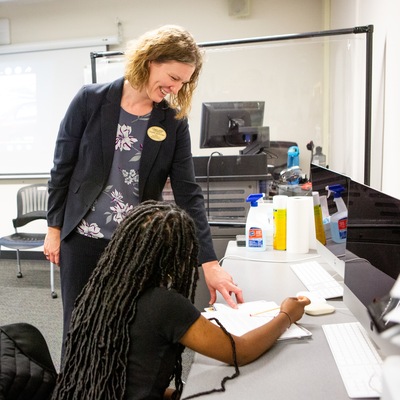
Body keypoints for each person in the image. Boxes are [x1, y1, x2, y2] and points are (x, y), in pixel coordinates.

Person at [43, 25, 244, 352]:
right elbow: (62, 167)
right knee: (78, 326)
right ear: (150, 60)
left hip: (134, 244)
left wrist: (210, 263)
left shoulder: (173, 121)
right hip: (83, 239)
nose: (175, 87)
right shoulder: (90, 101)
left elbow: (188, 192)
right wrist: (54, 229)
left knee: (126, 328)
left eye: (183, 82)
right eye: (173, 76)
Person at [51, 200, 310, 400]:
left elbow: (110, 373)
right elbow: (238, 352)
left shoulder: (96, 292)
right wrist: (286, 315)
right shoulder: (164, 305)